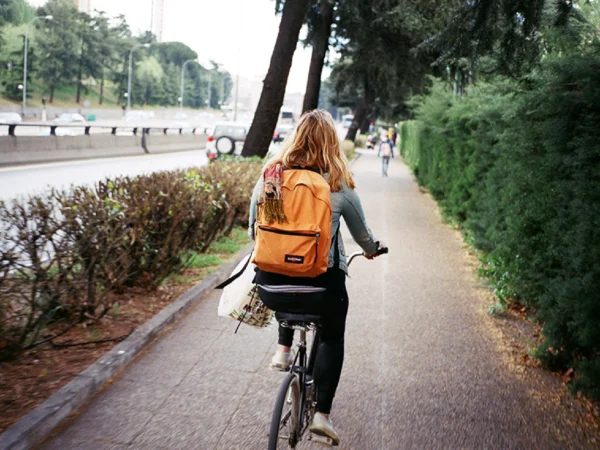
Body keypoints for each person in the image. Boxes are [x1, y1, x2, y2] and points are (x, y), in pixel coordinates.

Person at [248, 109, 385, 445]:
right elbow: (363, 236)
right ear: (332, 143)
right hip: (321, 288)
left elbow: (254, 226)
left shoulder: (272, 177)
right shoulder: (338, 185)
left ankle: (283, 350)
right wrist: (371, 249)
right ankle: (322, 415)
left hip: (270, 285)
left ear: (295, 137)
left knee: (286, 278)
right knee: (333, 333)